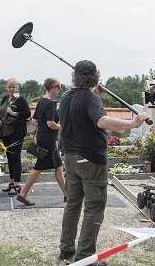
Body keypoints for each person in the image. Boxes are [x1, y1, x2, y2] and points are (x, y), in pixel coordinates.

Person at [58, 60, 149, 265]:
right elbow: (101, 121)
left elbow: (83, 113)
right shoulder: (91, 99)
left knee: (72, 204)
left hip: (71, 158)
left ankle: (66, 250)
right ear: (95, 76)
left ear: (75, 76)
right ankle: (85, 257)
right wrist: (133, 123)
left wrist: (97, 95)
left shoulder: (66, 97)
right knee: (94, 206)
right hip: (90, 159)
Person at [16, 78, 66, 206]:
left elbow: (34, 121)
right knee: (39, 167)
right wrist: (62, 126)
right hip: (49, 139)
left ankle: (67, 194)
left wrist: (44, 122)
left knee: (58, 166)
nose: (59, 90)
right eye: (58, 87)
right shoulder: (50, 103)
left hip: (43, 137)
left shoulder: (41, 101)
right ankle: (23, 194)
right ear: (53, 87)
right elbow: (51, 124)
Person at [0, 78, 31, 195]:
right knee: (9, 157)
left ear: (17, 87)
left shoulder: (20, 99)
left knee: (15, 157)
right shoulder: (4, 99)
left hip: (16, 132)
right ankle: (11, 182)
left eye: (13, 87)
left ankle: (17, 184)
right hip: (5, 132)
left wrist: (14, 113)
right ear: (6, 87)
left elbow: (27, 113)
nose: (11, 89)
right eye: (9, 87)